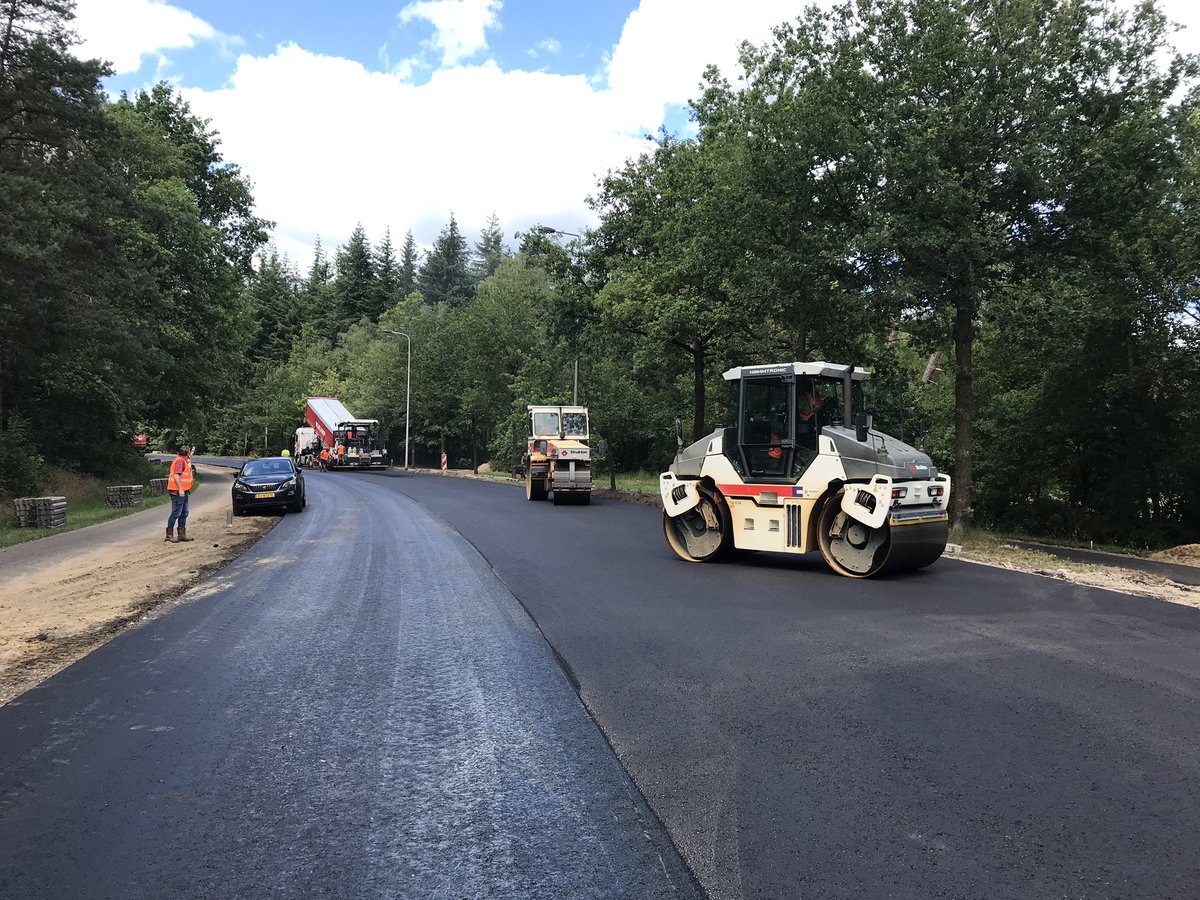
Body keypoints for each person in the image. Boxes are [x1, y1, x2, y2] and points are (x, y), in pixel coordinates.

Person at [165, 445, 195, 543]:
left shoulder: (183, 459)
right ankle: (169, 535)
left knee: (184, 513)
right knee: (176, 513)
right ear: (186, 454)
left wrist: (192, 452)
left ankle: (181, 535)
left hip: (184, 491)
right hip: (178, 492)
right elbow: (176, 475)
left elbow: (189, 458)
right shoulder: (180, 461)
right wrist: (180, 489)